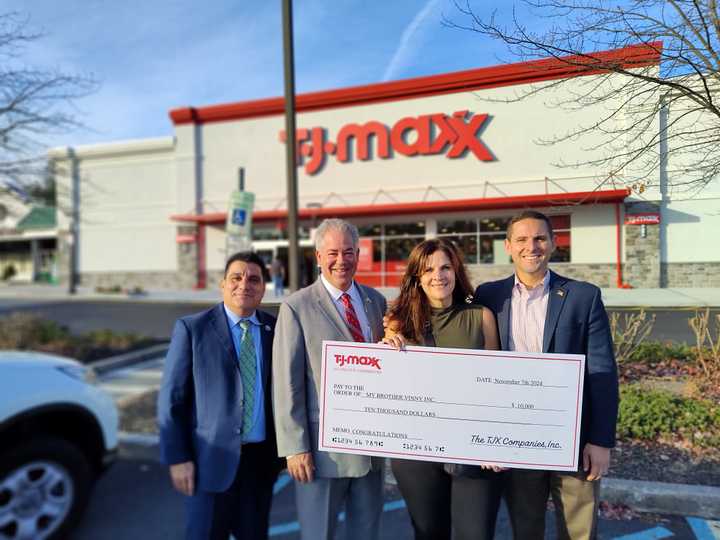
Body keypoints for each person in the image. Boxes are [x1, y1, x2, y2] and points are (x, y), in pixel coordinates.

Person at [474, 210, 619, 540]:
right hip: (517, 436)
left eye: (540, 238)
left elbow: (602, 371)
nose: (532, 246)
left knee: (579, 531)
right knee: (526, 528)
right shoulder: (489, 296)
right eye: (522, 239)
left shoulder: (584, 296)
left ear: (553, 244)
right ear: (508, 246)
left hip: (572, 436)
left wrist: (600, 440)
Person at [272, 218, 387, 540]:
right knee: (318, 533)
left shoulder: (375, 302)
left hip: (371, 448)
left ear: (358, 254)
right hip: (322, 454)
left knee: (367, 532)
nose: (342, 260)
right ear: (319, 256)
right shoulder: (297, 307)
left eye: (349, 252)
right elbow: (286, 383)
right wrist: (295, 448)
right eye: (333, 252)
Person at [383, 238, 504, 540]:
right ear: (417, 278)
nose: (438, 275)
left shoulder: (481, 317)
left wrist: (495, 440)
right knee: (429, 534)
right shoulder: (398, 323)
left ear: (456, 271)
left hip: (473, 446)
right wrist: (383, 352)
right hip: (417, 451)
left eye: (445, 267)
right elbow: (389, 386)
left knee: (475, 534)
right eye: (428, 270)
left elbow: (497, 385)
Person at [157, 251, 283, 540]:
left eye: (254, 279)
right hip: (209, 463)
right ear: (223, 284)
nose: (244, 285)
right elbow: (171, 399)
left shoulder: (274, 329)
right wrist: (177, 458)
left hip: (259, 466)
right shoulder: (193, 328)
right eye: (236, 277)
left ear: (263, 287)